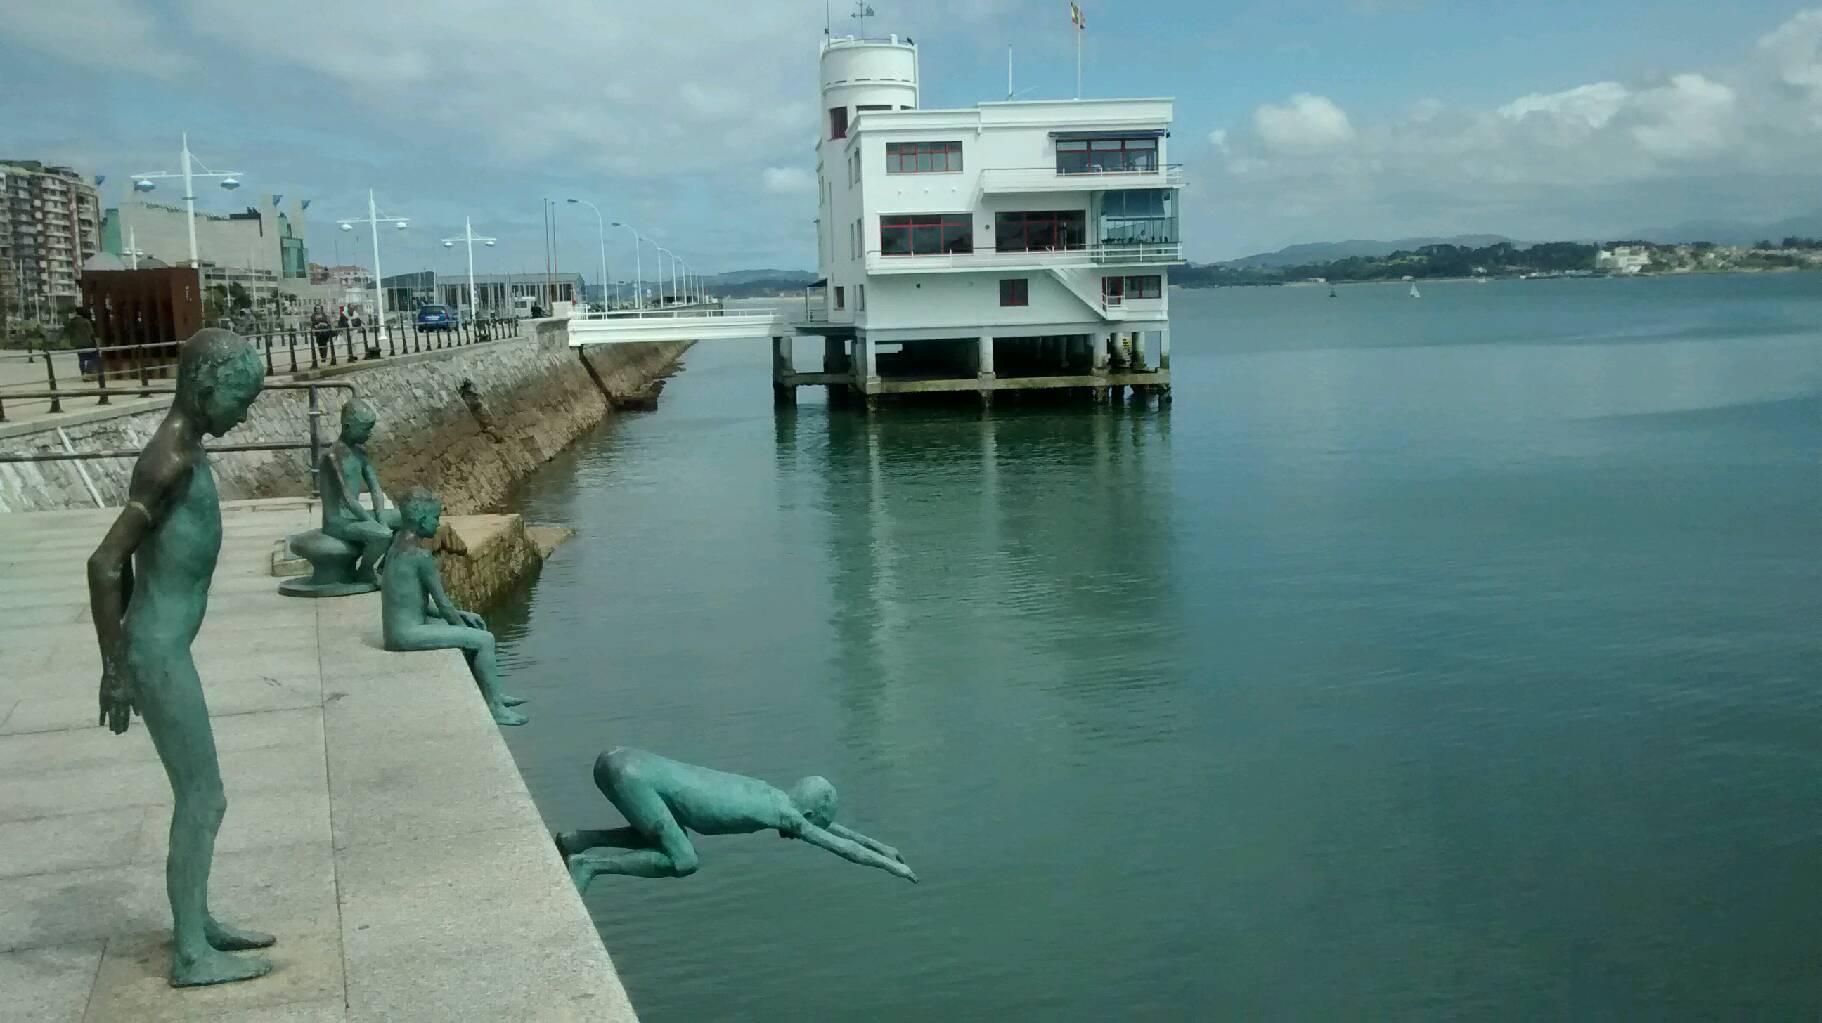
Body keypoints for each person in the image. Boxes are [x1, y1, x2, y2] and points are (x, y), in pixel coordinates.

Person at [86, 329, 276, 987]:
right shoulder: (167, 461)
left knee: (200, 794)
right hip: (157, 652)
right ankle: (192, 951)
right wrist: (116, 668)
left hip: (162, 645)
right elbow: (106, 562)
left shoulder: (188, 449)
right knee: (205, 796)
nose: (245, 414)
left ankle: (196, 919)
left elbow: (134, 566)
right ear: (204, 386)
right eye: (240, 398)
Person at [556, 747, 917, 892]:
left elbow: (830, 829)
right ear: (806, 815)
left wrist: (884, 845)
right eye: (810, 825)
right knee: (684, 861)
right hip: (630, 776)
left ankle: (577, 841)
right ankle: (591, 866)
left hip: (625, 760)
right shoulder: (786, 815)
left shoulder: (774, 795)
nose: (804, 833)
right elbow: (839, 847)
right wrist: (891, 866)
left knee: (670, 835)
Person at [380, 487, 527, 726]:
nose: (438, 525)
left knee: (472, 625)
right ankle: (494, 707)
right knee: (484, 639)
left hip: (399, 628)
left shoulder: (396, 544)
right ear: (421, 520)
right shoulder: (421, 557)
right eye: (435, 519)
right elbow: (444, 606)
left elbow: (414, 602)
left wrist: (464, 614)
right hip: (404, 635)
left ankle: (493, 692)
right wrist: (466, 633)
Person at [318, 398, 398, 585]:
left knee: (408, 520)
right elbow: (347, 498)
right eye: (365, 429)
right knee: (383, 535)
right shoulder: (332, 457)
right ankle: (365, 570)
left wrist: (381, 515)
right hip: (337, 520)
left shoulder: (360, 453)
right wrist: (373, 523)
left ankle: (384, 568)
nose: (369, 434)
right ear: (347, 427)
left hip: (355, 516)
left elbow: (375, 488)